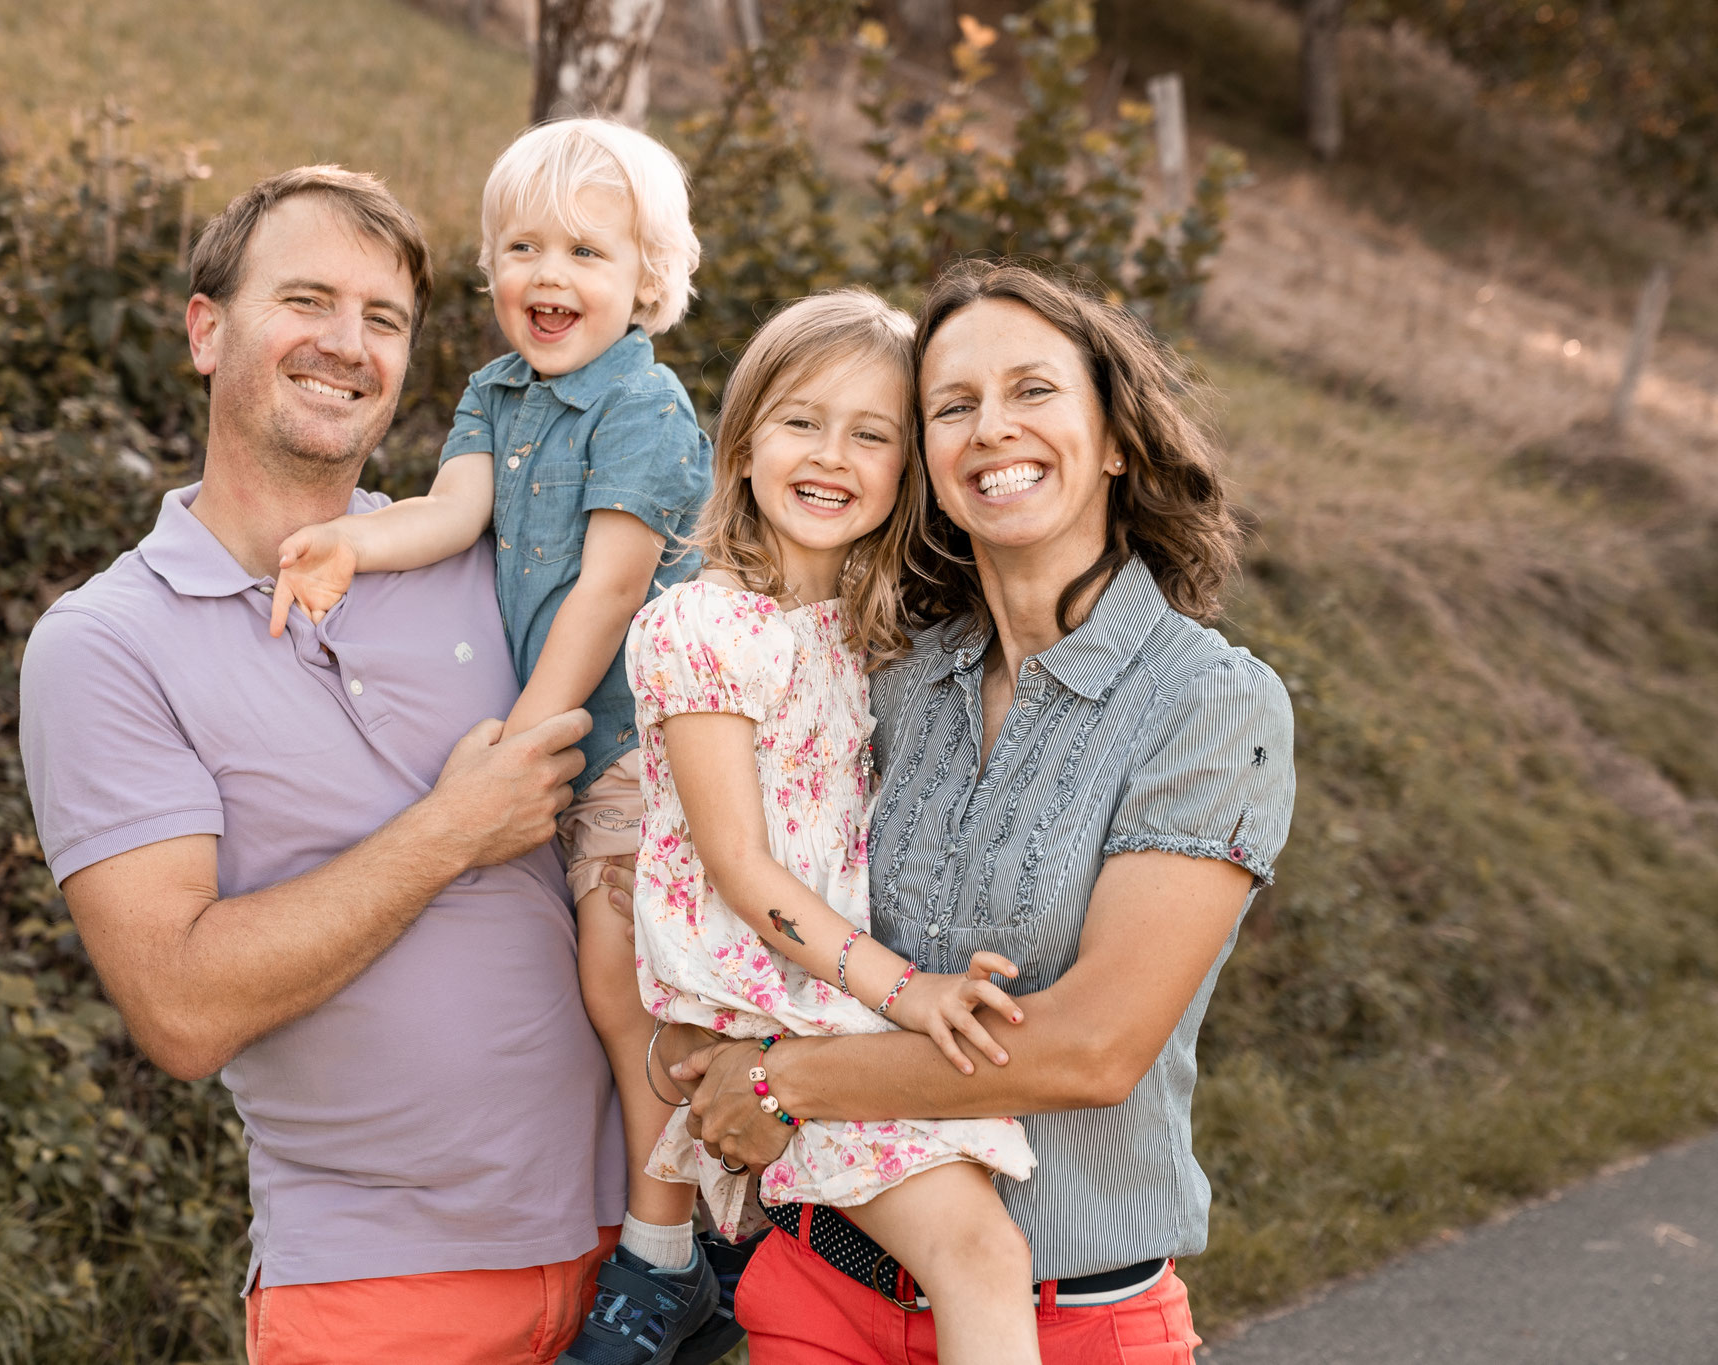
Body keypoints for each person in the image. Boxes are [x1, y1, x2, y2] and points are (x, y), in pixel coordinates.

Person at [18, 165, 625, 1365]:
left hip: (639, 1262)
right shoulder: (103, 646)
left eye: (384, 320)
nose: (347, 346)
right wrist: (456, 827)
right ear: (206, 329)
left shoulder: (484, 558)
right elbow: (181, 1009)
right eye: (307, 301)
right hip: (380, 1289)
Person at [665, 260, 1298, 1365]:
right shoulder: (886, 673)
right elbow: (730, 868)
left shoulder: (1208, 704)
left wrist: (778, 1078)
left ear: (1113, 437)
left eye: (1032, 391)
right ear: (930, 463)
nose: (990, 429)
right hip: (820, 1292)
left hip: (1069, 1324)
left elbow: (1091, 1049)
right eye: (952, 406)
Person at [267, 120, 723, 1362]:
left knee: (613, 974)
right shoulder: (495, 391)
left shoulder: (644, 404)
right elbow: (454, 506)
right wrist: (353, 542)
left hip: (645, 740)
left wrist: (530, 737)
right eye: (520, 246)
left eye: (584, 248)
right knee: (600, 982)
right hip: (571, 744)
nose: (546, 274)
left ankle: (664, 1254)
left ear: (647, 275)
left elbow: (609, 590)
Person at [625, 289, 1042, 1365]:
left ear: (905, 473)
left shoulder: (852, 638)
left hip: (825, 1004)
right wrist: (907, 991)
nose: (830, 455)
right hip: (778, 1015)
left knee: (960, 1262)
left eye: (871, 435)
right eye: (801, 421)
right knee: (980, 1258)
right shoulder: (702, 628)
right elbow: (739, 865)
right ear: (745, 438)